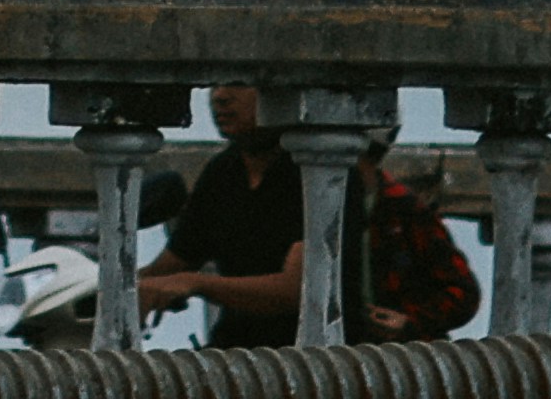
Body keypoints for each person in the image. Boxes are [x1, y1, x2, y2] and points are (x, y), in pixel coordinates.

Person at [132, 85, 478, 347]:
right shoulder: (223, 172)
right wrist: (124, 284)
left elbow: (298, 290)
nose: (220, 96)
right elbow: (174, 264)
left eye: (240, 83)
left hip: (318, 364)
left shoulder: (321, 177)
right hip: (237, 351)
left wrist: (410, 323)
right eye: (215, 83)